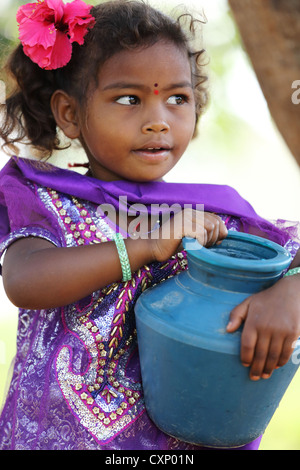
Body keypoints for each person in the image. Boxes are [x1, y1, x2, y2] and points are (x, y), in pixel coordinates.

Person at [0, 0, 299, 451]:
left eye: (177, 98)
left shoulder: (215, 213)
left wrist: (289, 292)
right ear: (69, 112)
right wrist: (144, 246)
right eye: (129, 99)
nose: (159, 120)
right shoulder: (46, 199)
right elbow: (25, 280)